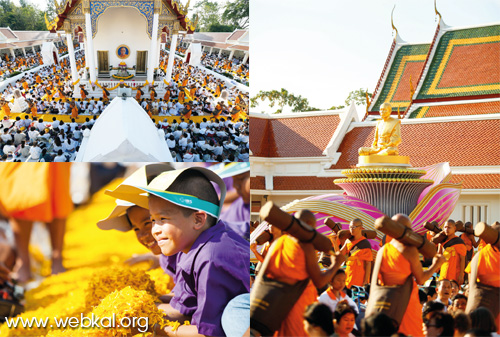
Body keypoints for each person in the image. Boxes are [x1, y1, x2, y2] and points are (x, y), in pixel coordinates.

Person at [106, 167, 249, 337]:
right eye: (153, 220)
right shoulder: (188, 247)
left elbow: (209, 333)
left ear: (198, 219)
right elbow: (186, 305)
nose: (154, 231)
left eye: (162, 219)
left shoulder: (211, 257)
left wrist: (153, 328)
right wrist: (137, 306)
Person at [262, 209, 345, 337]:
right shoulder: (305, 246)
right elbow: (319, 281)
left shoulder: (279, 242)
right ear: (308, 226)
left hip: (278, 303)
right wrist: (336, 265)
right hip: (299, 302)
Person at [373, 214, 445, 336]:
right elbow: (421, 279)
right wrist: (436, 264)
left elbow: (375, 280)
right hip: (405, 300)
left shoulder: (383, 250)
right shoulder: (409, 250)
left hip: (385, 300)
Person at [339, 218, 373, 289]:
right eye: (350, 227)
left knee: (358, 299)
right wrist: (335, 242)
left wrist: (366, 280)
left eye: (354, 227)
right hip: (348, 275)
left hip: (359, 278)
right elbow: (339, 255)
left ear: (360, 228)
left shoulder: (365, 243)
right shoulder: (348, 241)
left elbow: (368, 264)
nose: (351, 229)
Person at [439, 220, 466, 285]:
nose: (446, 229)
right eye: (445, 227)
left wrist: (461, 275)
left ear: (454, 228)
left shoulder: (459, 241)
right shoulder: (442, 241)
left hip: (455, 273)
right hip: (443, 272)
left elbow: (462, 259)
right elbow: (439, 256)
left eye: (449, 227)